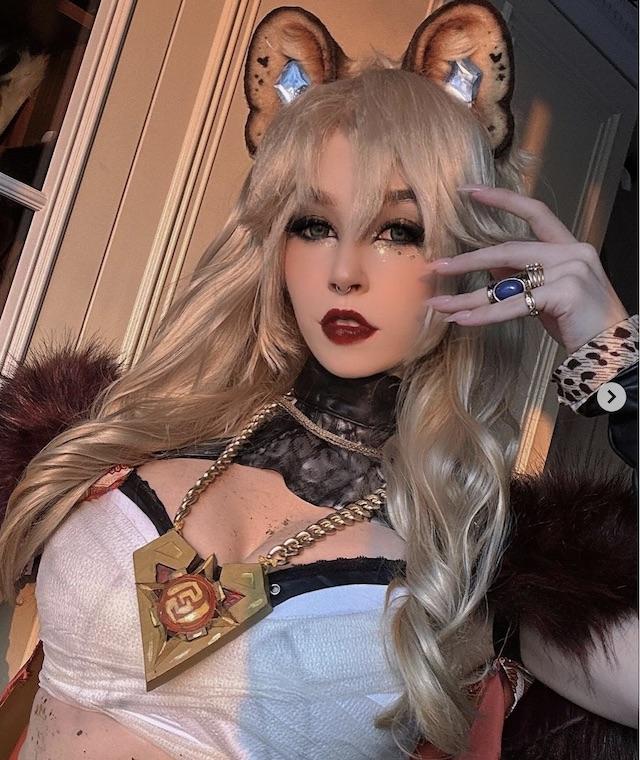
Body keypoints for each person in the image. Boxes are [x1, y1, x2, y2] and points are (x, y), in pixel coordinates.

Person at [0, 10, 637, 758]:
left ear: (470, 253)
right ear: (275, 242)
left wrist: (619, 360)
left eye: (399, 231)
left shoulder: (474, 562)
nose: (345, 272)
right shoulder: (107, 437)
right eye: (314, 224)